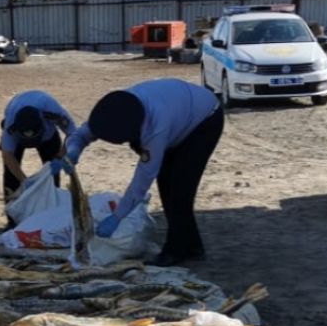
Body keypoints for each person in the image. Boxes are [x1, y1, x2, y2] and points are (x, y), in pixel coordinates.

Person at [60, 78, 224, 266]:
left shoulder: (155, 130)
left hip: (204, 120)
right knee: (167, 184)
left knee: (179, 190)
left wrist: (117, 216)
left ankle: (175, 250)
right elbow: (81, 134)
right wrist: (73, 151)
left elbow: (143, 180)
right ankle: (193, 246)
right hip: (179, 109)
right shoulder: (114, 111)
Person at [0, 90, 75, 214]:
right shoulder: (10, 126)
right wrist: (24, 180)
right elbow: (7, 155)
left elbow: (73, 134)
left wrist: (60, 156)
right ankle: (12, 218)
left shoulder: (53, 111)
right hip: (18, 130)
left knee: (51, 175)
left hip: (47, 137)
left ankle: (51, 210)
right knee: (11, 174)